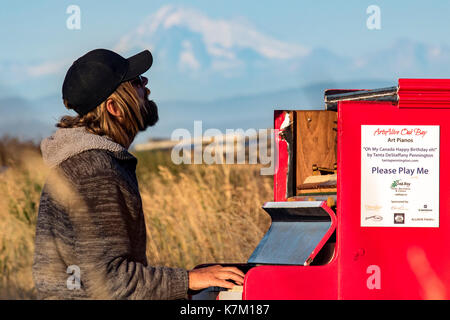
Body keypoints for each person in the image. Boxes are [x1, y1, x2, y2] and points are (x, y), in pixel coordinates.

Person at [32, 48, 244, 299]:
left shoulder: (80, 161)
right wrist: (189, 280)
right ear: (114, 107)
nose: (146, 86)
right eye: (136, 82)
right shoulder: (96, 171)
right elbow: (111, 282)